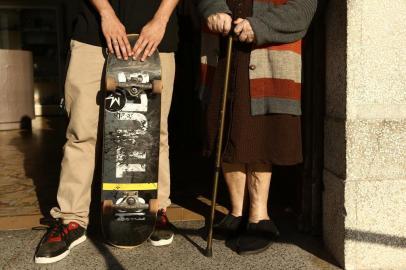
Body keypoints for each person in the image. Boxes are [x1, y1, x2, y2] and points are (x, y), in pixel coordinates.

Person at [35, 0, 179, 264]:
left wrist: (161, 19)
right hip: (94, 35)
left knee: (153, 133)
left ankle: (154, 209)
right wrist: (106, 13)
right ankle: (71, 219)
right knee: (82, 132)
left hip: (156, 37)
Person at [198, 0, 317, 255]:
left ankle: (259, 217)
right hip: (224, 46)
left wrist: (259, 26)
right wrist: (213, 10)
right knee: (226, 126)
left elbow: (303, 9)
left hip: (268, 50)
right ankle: (237, 212)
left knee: (260, 132)